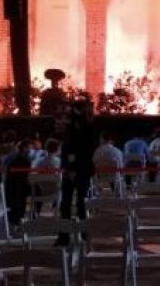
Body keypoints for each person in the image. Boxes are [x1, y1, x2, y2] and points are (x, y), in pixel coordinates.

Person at [57, 101, 97, 245]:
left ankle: (76, 234)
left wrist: (70, 167)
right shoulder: (81, 129)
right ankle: (71, 234)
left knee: (77, 203)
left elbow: (80, 150)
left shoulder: (85, 130)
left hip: (78, 170)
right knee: (73, 204)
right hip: (79, 170)